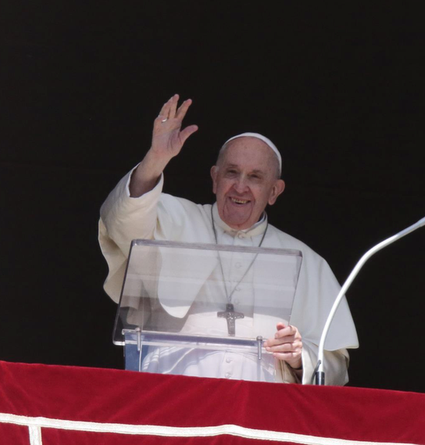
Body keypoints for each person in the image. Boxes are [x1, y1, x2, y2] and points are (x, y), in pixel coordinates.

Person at [98, 94, 358, 385]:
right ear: (214, 178)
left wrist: (300, 357)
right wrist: (156, 160)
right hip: (172, 394)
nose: (241, 186)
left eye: (256, 177)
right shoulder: (173, 218)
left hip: (259, 409)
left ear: (275, 191)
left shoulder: (308, 262)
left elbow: (335, 368)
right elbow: (120, 221)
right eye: (232, 172)